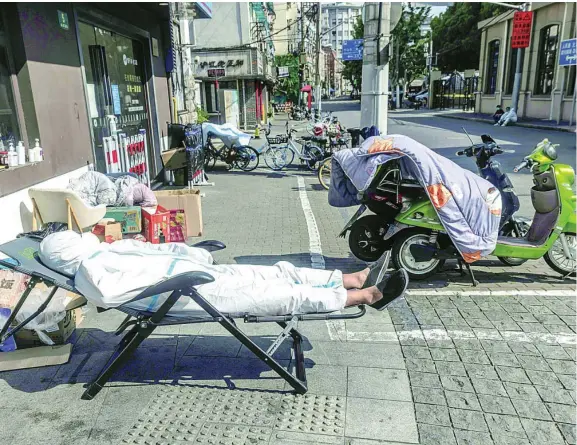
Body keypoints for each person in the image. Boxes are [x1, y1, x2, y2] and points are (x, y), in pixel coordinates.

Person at [39, 231, 409, 318]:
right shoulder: (88, 270)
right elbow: (106, 297)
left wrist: (192, 254)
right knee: (279, 293)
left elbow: (157, 250)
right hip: (183, 292)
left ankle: (351, 279)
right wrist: (171, 277)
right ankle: (364, 297)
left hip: (197, 273)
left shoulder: (106, 249)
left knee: (277, 271)